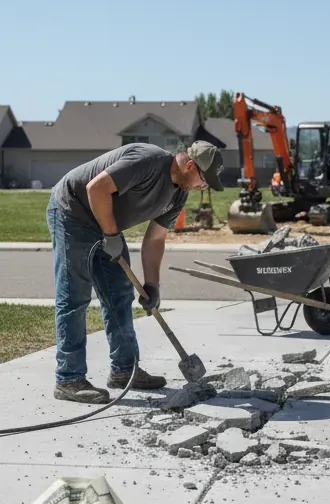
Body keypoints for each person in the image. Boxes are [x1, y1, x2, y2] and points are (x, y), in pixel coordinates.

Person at [46, 140, 224, 404]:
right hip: (73, 212)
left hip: (106, 223)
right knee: (75, 296)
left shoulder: (179, 194)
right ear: (189, 166)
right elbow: (96, 188)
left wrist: (152, 284)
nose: (203, 187)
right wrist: (111, 235)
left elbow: (155, 239)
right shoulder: (147, 161)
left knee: (119, 294)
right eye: (204, 181)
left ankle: (124, 371)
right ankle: (68, 379)